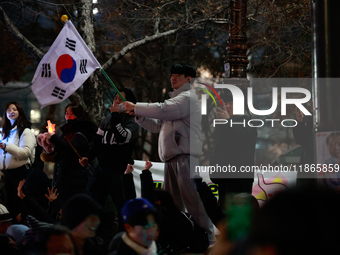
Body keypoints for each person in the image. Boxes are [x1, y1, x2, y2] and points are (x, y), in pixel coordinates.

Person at [122, 64, 214, 241]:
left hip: (185, 157)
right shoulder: (177, 101)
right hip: (173, 158)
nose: (173, 78)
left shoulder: (187, 98)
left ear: (189, 79)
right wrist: (138, 115)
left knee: (193, 201)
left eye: (178, 75)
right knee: (174, 204)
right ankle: (181, 237)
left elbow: (163, 109)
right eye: (172, 75)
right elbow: (157, 125)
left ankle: (208, 238)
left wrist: (137, 106)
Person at [80, 88, 139, 228]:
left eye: (120, 98)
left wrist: (116, 117)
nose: (116, 101)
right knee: (92, 200)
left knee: (121, 205)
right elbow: (97, 143)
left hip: (119, 171)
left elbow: (122, 137)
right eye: (115, 98)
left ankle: (123, 237)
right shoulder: (106, 120)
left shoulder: (133, 122)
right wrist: (88, 157)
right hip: (102, 169)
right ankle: (95, 234)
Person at [37, 103, 97, 203]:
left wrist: (53, 137)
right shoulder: (67, 132)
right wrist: (50, 150)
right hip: (63, 179)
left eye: (71, 114)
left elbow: (69, 150)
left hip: (77, 180)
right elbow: (60, 154)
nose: (67, 116)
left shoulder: (83, 132)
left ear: (79, 115)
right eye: (66, 113)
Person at [209, 90, 257, 206]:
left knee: (237, 212)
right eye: (226, 103)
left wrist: (228, 122)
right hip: (224, 177)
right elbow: (219, 150)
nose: (228, 106)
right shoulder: (224, 124)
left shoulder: (248, 121)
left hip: (239, 178)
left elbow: (242, 139)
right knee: (224, 212)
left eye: (232, 103)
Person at [0, 102, 36, 218]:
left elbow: (25, 153)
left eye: (14, 109)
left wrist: (6, 146)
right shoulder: (4, 133)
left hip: (21, 174)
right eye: (8, 110)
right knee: (9, 206)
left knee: (19, 206)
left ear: (20, 113)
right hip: (7, 175)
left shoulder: (25, 132)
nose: (11, 112)